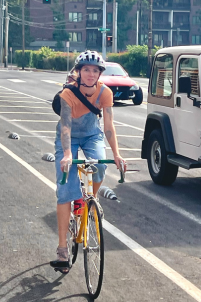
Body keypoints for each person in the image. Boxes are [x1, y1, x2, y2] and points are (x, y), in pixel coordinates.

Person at [50, 50, 127, 273]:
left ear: (99, 73)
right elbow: (65, 126)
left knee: (100, 165)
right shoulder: (68, 94)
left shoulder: (105, 92)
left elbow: (109, 127)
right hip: (69, 138)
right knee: (65, 190)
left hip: (92, 135)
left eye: (95, 70)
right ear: (79, 72)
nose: (91, 74)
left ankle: (90, 200)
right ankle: (63, 249)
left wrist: (117, 154)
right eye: (86, 70)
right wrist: (67, 154)